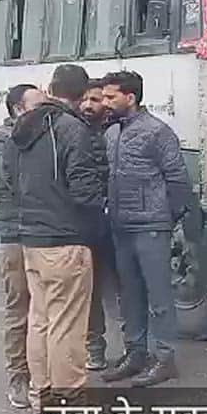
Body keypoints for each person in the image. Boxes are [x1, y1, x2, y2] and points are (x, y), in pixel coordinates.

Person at [3, 65, 105, 414]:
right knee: (67, 326)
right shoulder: (71, 129)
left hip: (30, 239)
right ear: (79, 95)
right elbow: (85, 192)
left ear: (51, 88)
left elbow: (12, 182)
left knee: (40, 321)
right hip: (65, 241)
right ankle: (70, 403)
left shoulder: (21, 130)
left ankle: (40, 398)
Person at [100, 70, 191, 387]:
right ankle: (135, 354)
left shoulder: (157, 132)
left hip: (152, 226)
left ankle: (165, 359)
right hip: (120, 226)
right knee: (130, 295)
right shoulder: (112, 133)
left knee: (159, 296)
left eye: (112, 96)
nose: (105, 102)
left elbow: (178, 179)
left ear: (131, 97)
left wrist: (169, 216)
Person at [0, 83, 42, 410]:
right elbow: (16, 182)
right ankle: (19, 376)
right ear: (17, 109)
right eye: (36, 105)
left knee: (44, 311)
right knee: (20, 306)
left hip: (45, 234)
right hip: (16, 236)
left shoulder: (42, 138)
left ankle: (43, 374)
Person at [78, 78, 120, 372]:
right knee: (90, 291)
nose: (89, 106)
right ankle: (95, 348)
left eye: (96, 100)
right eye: (85, 100)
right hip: (89, 224)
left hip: (119, 222)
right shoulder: (74, 133)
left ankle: (137, 349)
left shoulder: (120, 131)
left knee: (127, 287)